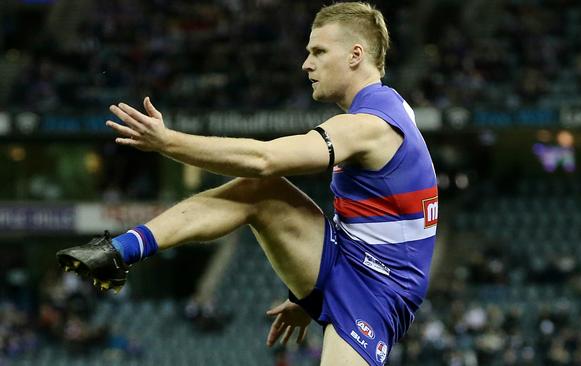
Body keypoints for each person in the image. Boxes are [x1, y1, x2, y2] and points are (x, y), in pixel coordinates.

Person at [56, 2, 438, 365]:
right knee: (260, 192)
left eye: (319, 52)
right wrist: (311, 291)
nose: (306, 64)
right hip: (347, 257)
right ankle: (120, 250)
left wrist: (167, 141)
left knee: (261, 177)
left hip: (378, 291)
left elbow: (264, 159)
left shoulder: (368, 126)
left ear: (355, 55)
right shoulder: (394, 105)